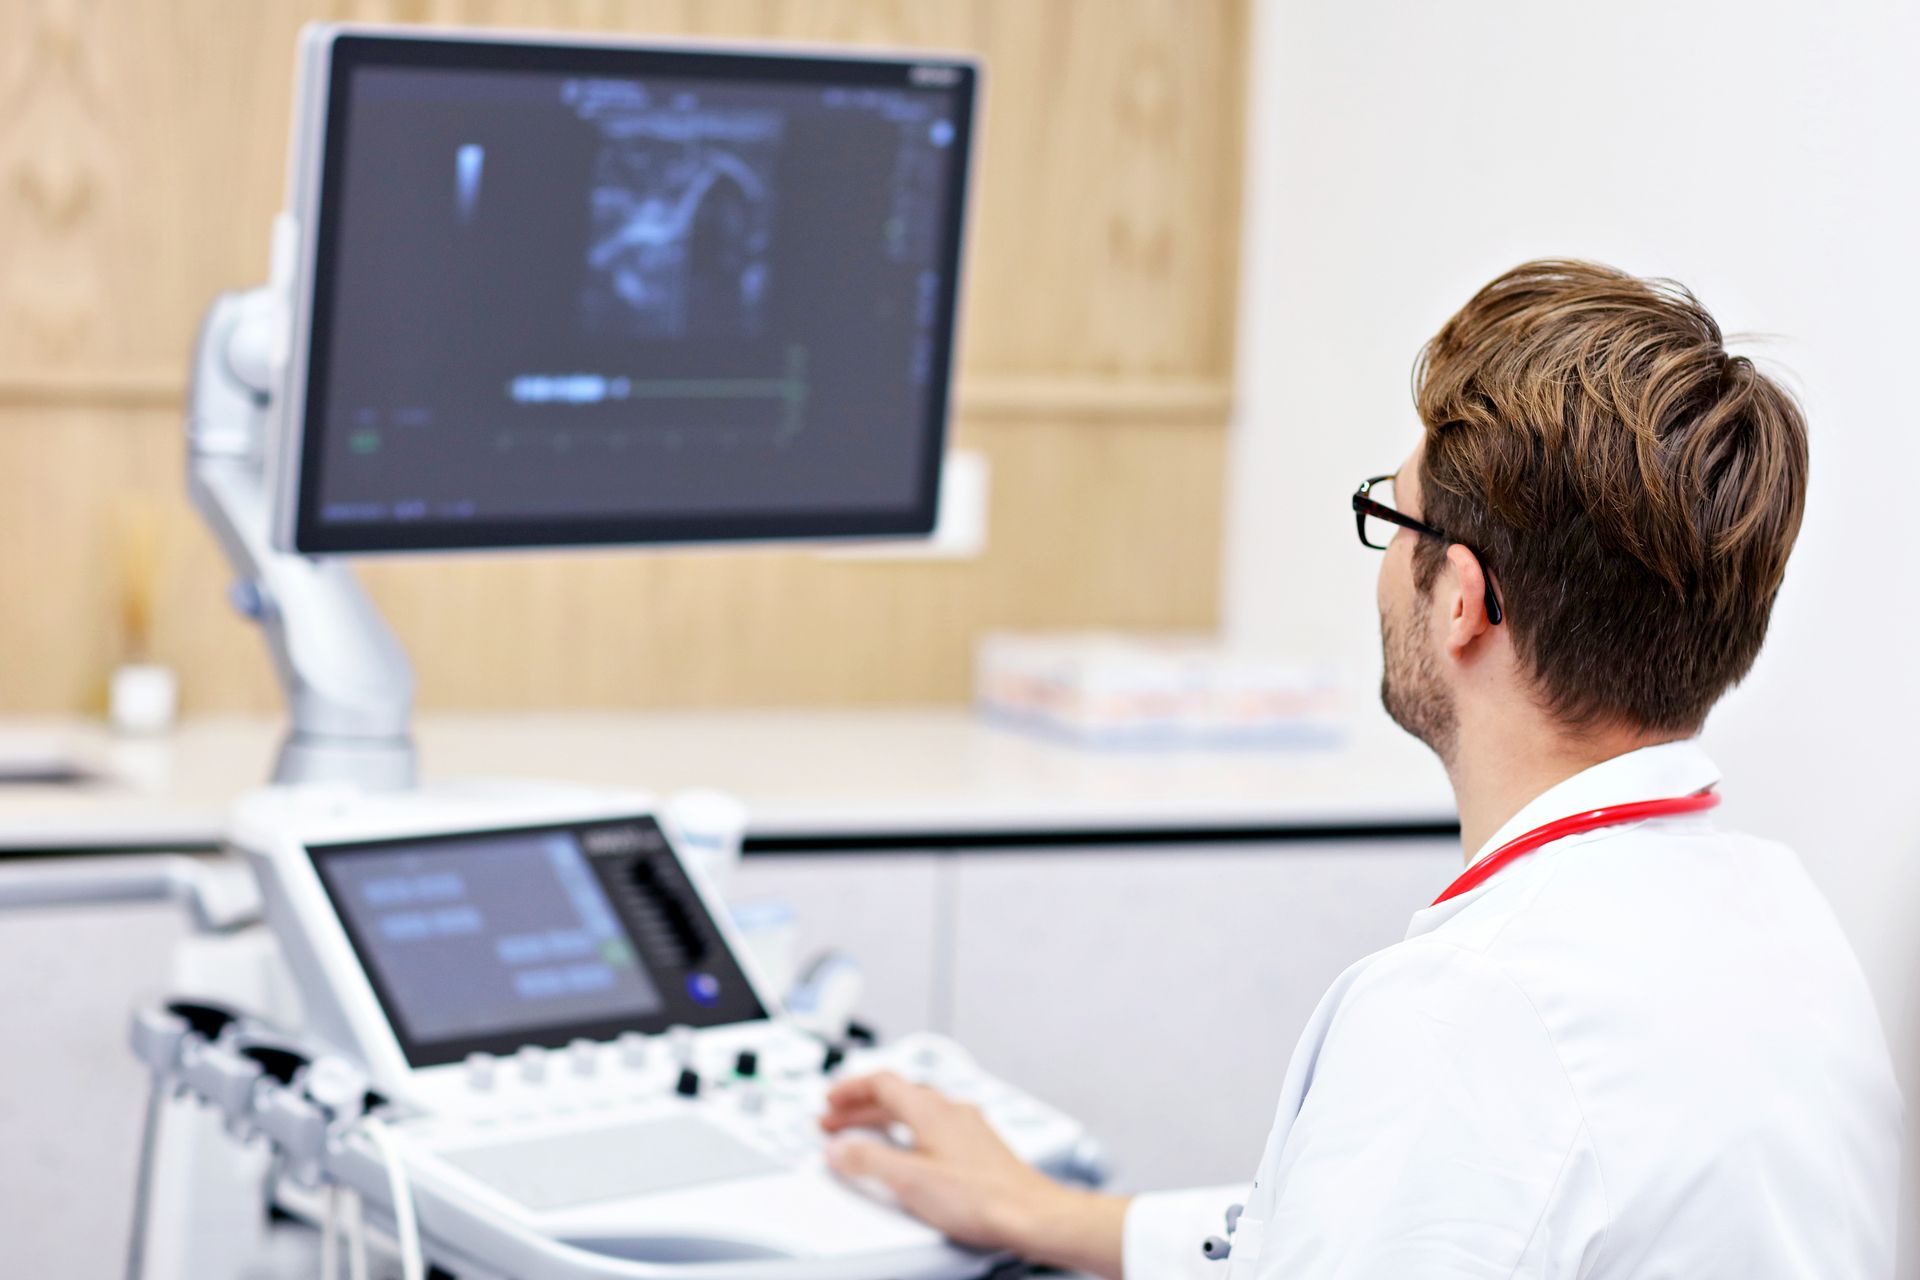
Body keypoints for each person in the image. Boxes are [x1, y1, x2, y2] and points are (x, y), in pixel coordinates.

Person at [817, 261, 1903, 1277]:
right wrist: (1044, 1211)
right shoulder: (1780, 921)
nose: (1386, 568)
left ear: (1464, 600)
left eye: (1393, 517)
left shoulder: (1474, 1008)